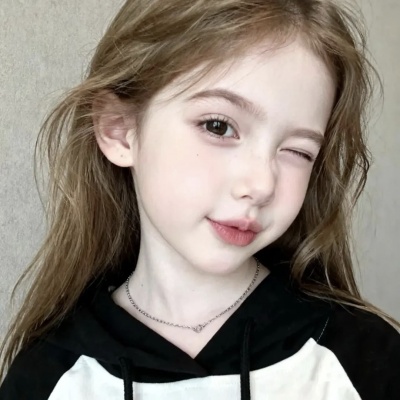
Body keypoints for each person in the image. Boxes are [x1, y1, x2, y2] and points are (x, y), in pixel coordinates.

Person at [1, 0, 399, 399]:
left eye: (297, 151)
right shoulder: (45, 379)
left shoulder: (367, 360)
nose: (262, 184)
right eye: (218, 126)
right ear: (120, 130)